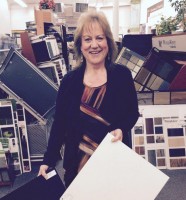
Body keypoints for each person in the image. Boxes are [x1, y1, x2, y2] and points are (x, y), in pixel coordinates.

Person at [38, 10, 139, 187]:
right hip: (78, 166)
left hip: (113, 162)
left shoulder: (122, 76)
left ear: (108, 42)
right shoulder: (70, 81)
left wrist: (122, 128)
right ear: (80, 45)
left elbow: (132, 113)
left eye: (100, 38)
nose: (94, 45)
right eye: (88, 39)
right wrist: (48, 160)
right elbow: (60, 123)